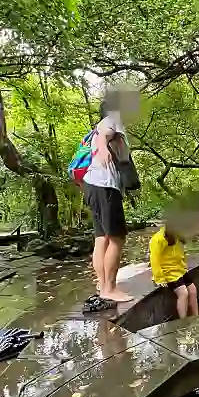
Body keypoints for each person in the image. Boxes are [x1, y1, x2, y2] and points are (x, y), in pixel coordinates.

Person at [83, 91, 134, 310]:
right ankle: (109, 288)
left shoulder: (97, 126)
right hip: (105, 186)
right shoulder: (112, 120)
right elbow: (105, 135)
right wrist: (103, 148)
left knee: (101, 238)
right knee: (117, 238)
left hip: (92, 185)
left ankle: (102, 285)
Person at [149, 218, 198, 319]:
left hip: (180, 270)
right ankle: (183, 321)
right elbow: (154, 259)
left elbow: (180, 253)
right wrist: (159, 278)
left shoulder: (177, 237)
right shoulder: (158, 239)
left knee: (193, 290)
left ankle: (196, 317)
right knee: (183, 293)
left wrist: (183, 266)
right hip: (168, 273)